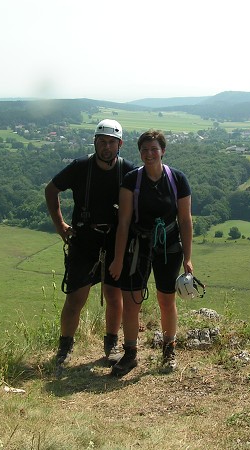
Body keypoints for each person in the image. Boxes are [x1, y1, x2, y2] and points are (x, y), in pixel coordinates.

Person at [45, 119, 135, 371]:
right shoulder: (80, 167)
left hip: (115, 240)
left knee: (114, 295)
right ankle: (65, 346)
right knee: (76, 297)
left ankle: (111, 344)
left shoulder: (128, 170)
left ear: (120, 145)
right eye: (102, 142)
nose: (106, 147)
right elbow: (51, 190)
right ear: (95, 142)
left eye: (111, 142)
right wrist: (60, 225)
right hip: (84, 239)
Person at [109, 129, 193, 376]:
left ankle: (169, 349)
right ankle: (130, 353)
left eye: (153, 149)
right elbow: (123, 222)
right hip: (138, 247)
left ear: (163, 151)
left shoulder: (178, 179)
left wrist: (188, 258)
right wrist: (117, 258)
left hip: (169, 247)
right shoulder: (131, 180)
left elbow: (185, 221)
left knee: (167, 300)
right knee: (131, 301)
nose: (148, 154)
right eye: (144, 150)